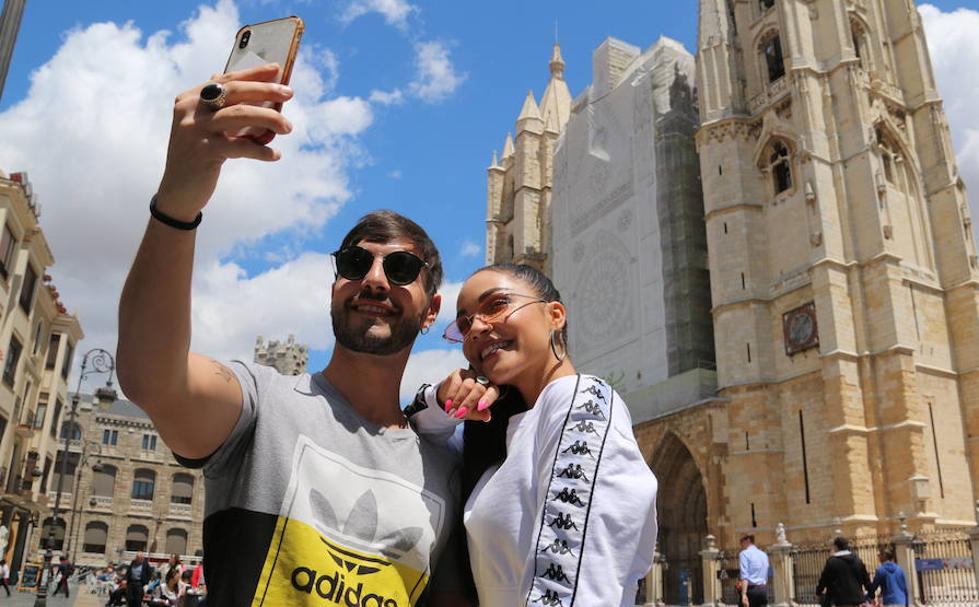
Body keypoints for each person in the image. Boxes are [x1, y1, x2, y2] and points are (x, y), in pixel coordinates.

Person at [117, 64, 465, 606]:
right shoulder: (263, 406)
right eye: (355, 262)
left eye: (399, 270)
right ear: (334, 287)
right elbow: (152, 378)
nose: (374, 279)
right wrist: (178, 205)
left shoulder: (444, 470)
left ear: (431, 311)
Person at [409, 263, 658, 606]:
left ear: (555, 315)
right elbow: (412, 434)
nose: (476, 328)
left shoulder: (580, 398)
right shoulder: (504, 433)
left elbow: (572, 589)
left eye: (496, 304)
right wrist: (445, 398)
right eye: (464, 325)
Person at [816, 536, 872, 607]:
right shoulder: (857, 560)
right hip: (856, 600)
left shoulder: (832, 562)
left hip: (840, 600)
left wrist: (818, 592)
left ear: (836, 547)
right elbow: (866, 579)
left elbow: (824, 579)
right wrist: (871, 593)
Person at [738, 534, 770, 607]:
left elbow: (744, 575)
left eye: (741, 541)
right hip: (763, 590)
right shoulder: (764, 554)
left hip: (751, 591)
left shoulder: (744, 554)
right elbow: (765, 574)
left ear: (748, 540)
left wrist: (744, 594)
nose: (740, 544)